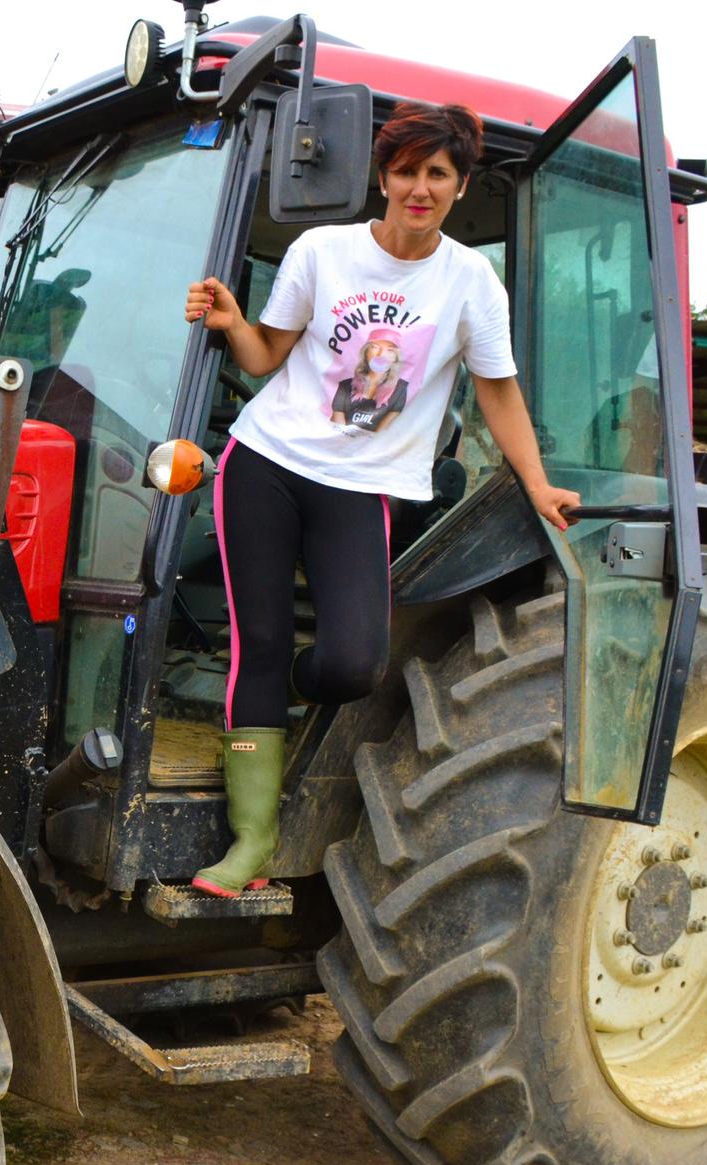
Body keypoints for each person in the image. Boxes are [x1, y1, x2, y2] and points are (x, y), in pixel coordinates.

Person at [181, 101, 580, 897]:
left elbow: (498, 393)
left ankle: (281, 692)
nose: (419, 187)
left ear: (460, 186)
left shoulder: (470, 281)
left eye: (438, 173)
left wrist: (536, 484)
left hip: (364, 489)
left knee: (354, 660)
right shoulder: (322, 251)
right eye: (406, 170)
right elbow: (268, 358)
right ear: (383, 176)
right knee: (255, 641)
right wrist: (231, 323)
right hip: (265, 463)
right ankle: (253, 841)